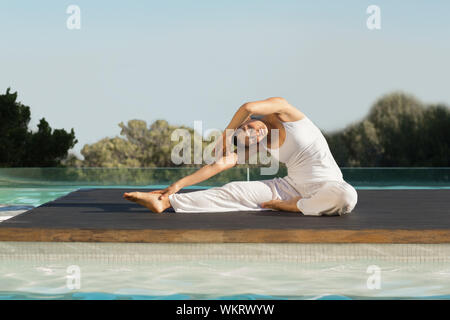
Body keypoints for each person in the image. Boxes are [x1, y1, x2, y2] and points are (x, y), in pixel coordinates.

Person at [123, 97, 357, 216]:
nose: (255, 135)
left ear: (250, 119)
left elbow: (246, 106)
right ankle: (164, 204)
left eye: (249, 128)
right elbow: (220, 164)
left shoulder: (283, 110)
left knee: (346, 196)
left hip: (328, 185)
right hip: (290, 187)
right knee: (233, 190)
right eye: (249, 138)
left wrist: (225, 136)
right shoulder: (262, 141)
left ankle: (296, 207)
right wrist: (176, 186)